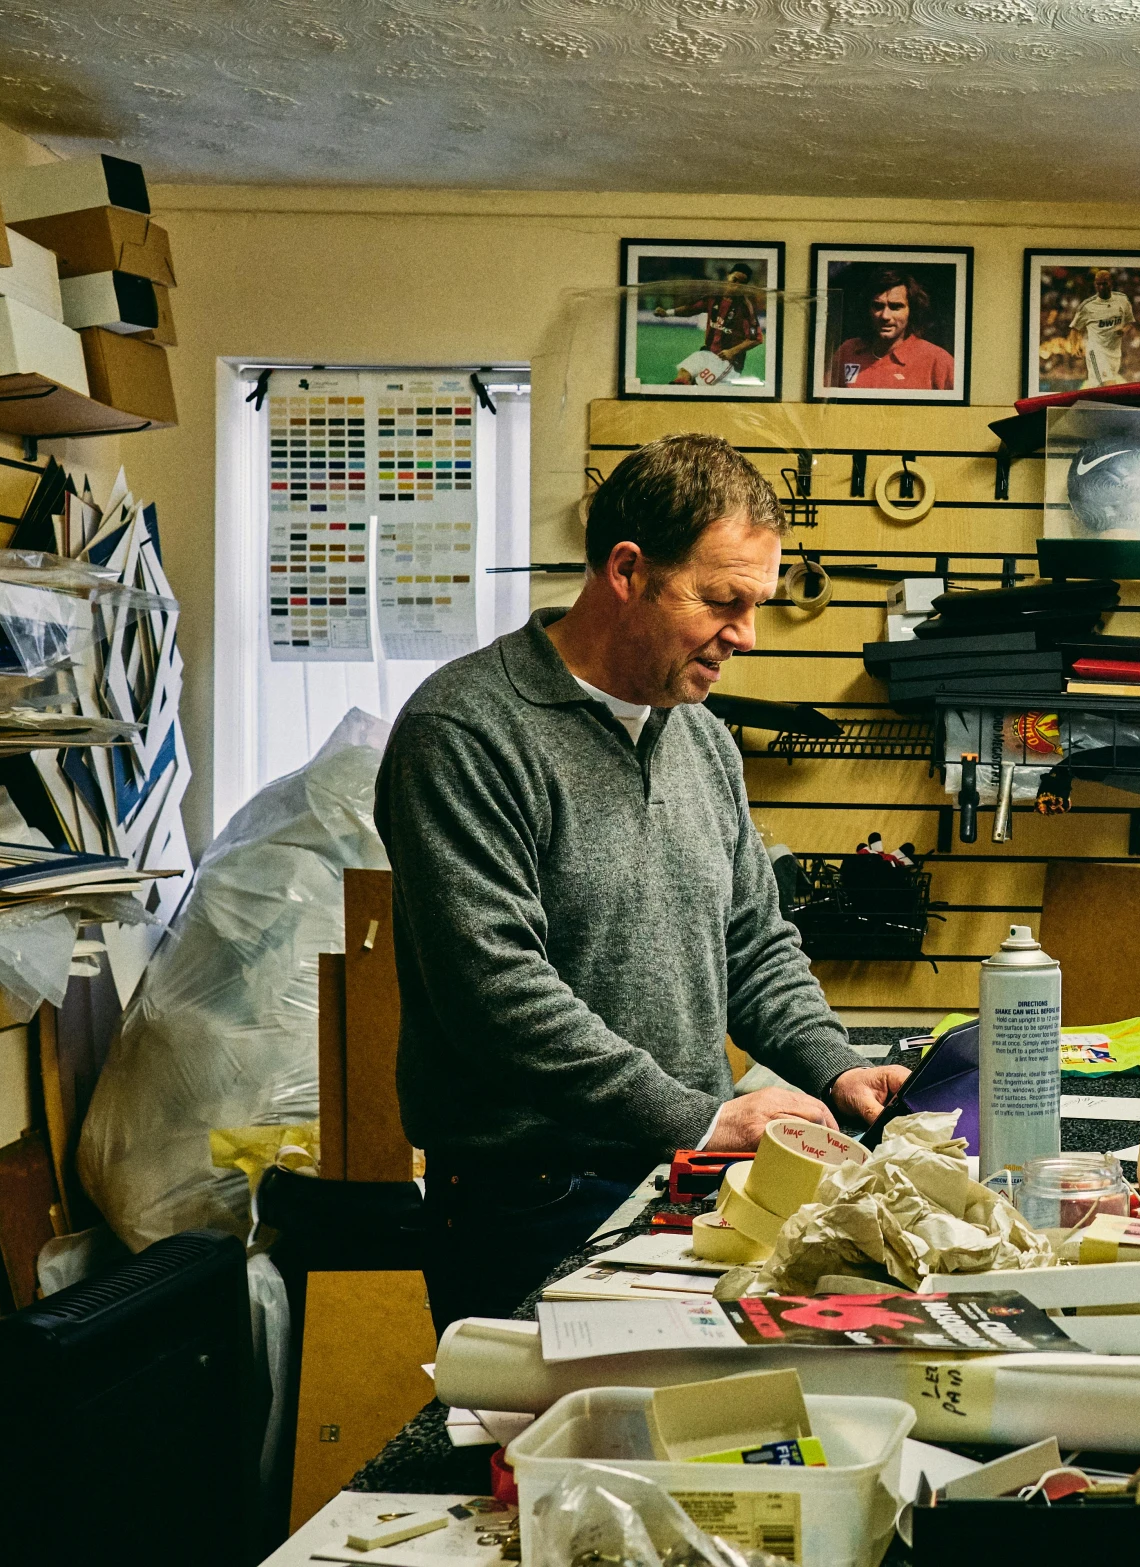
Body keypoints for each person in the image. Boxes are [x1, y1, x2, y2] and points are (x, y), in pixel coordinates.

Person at [377, 433, 910, 1330]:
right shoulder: (464, 731)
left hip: (682, 1178)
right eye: (723, 600)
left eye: (758, 603)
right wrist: (702, 1118)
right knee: (549, 1460)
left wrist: (838, 1065)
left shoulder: (695, 732)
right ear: (627, 570)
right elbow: (499, 998)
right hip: (530, 1204)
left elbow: (753, 940)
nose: (745, 634)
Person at [826, 267, 956, 391]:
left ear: (912, 311)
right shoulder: (848, 351)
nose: (885, 316)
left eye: (895, 307)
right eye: (878, 306)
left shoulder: (937, 360)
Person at [660, 263, 764, 387]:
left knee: (698, 386)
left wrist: (732, 351)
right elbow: (691, 309)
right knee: (683, 375)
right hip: (707, 353)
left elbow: (757, 339)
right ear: (728, 276)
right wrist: (667, 313)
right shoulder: (714, 298)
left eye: (741, 284)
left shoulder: (745, 308)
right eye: (734, 280)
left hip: (728, 362)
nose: (736, 286)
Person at [1069, 268, 1135, 386]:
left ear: (1111, 283)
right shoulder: (1088, 306)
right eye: (1098, 284)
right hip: (1096, 350)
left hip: (1114, 352)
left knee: (1098, 386)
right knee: (1109, 384)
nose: (1101, 287)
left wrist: (1123, 330)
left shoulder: (1122, 300)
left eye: (1104, 283)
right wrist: (1075, 346)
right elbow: (1075, 328)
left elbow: (1129, 323)